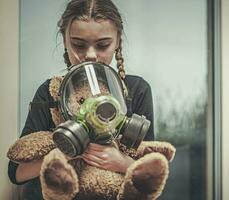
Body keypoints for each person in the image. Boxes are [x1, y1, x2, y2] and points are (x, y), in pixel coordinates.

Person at [7, 0, 154, 199]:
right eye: (78, 44)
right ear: (65, 40)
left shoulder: (137, 90)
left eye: (103, 45)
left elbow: (151, 174)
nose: (90, 55)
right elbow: (16, 172)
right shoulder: (49, 92)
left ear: (118, 40)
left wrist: (121, 162)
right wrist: (66, 151)